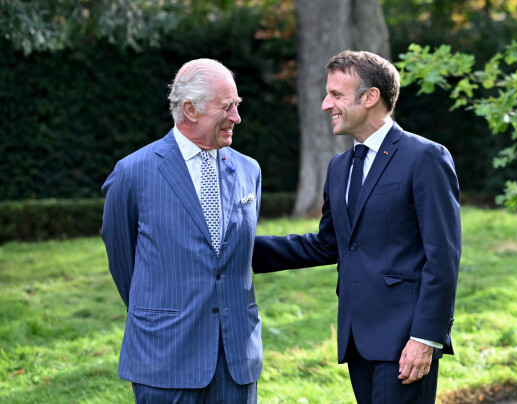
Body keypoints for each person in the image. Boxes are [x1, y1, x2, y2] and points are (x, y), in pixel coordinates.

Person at [252, 50, 461, 404]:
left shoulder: (425, 157)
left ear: (370, 97)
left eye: (336, 95)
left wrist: (426, 338)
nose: (324, 104)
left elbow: (442, 256)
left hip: (405, 338)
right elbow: (329, 244)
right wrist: (239, 248)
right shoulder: (339, 166)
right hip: (357, 337)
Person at [101, 58, 262, 403]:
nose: (236, 117)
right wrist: (161, 313)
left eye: (237, 105)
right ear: (190, 109)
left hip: (236, 359)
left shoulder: (249, 170)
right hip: (164, 358)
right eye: (227, 107)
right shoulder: (133, 172)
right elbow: (122, 261)